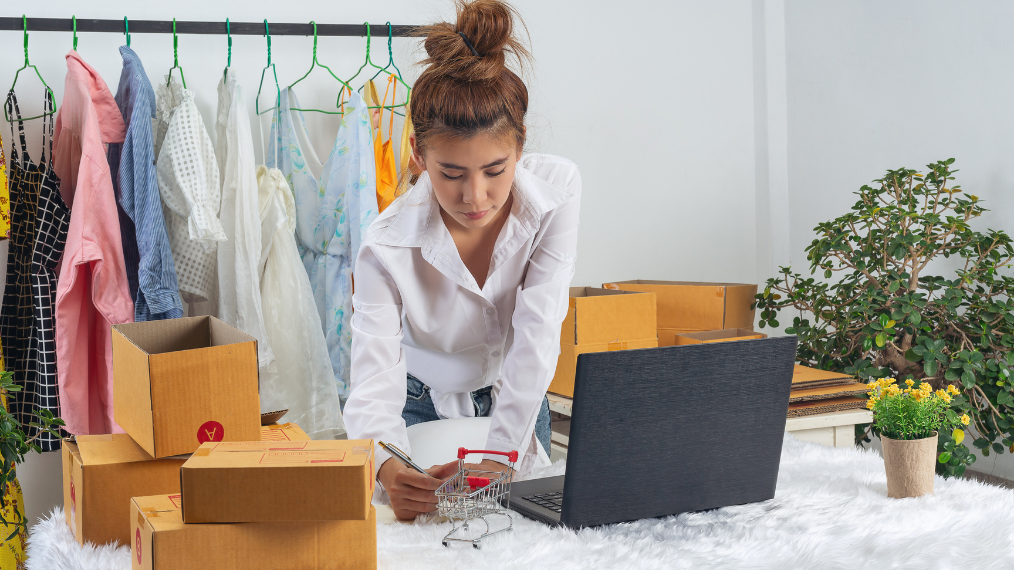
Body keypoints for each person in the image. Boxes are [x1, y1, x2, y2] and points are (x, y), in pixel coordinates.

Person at [343, 0, 582, 521]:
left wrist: (500, 457)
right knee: (422, 529)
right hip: (417, 403)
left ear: (520, 147)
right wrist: (385, 465)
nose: (476, 195)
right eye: (450, 173)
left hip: (514, 395)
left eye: (495, 170)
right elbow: (372, 376)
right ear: (416, 154)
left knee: (523, 530)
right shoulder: (384, 244)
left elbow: (539, 332)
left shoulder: (557, 192)